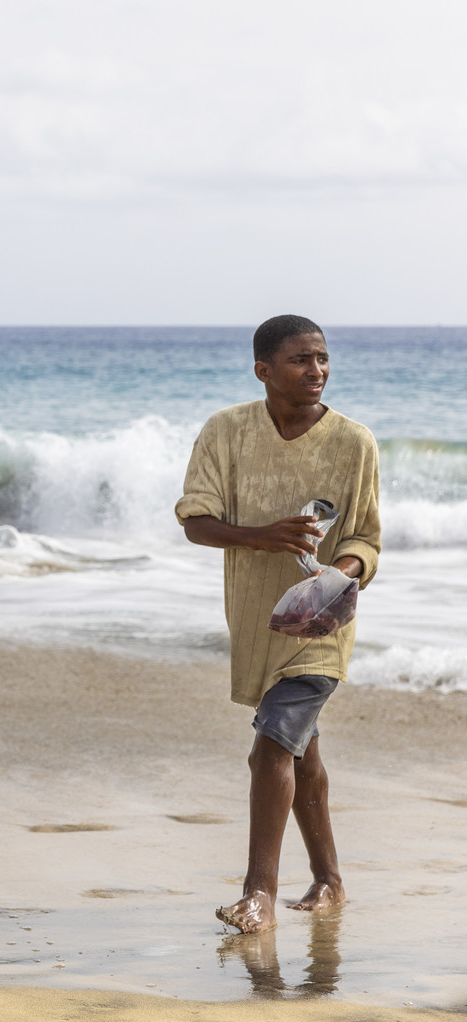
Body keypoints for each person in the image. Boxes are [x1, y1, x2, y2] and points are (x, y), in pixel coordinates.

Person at [176, 314, 381, 934]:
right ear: (264, 370)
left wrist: (331, 580)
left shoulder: (354, 442)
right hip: (257, 620)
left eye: (322, 358)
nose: (316, 371)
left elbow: (365, 542)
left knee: (270, 746)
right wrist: (263, 538)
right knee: (300, 748)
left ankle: (256, 895)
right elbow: (196, 521)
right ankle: (330, 880)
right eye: (300, 360)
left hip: (321, 623)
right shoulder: (226, 432)